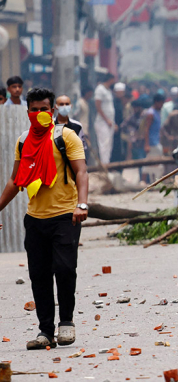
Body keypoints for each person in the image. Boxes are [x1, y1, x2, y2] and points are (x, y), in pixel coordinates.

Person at [0, 87, 88, 349]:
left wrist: (82, 204)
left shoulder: (66, 136)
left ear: (52, 111)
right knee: (39, 275)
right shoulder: (23, 141)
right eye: (34, 110)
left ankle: (66, 323)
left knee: (64, 269)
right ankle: (45, 331)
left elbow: (82, 172)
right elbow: (17, 181)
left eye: (43, 110)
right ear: (28, 112)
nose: (39, 114)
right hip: (35, 218)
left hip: (65, 216)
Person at [140, 94, 165, 182]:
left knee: (155, 163)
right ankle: (143, 180)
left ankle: (155, 181)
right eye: (161, 103)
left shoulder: (157, 112)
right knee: (149, 161)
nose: (162, 105)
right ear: (156, 102)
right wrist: (147, 144)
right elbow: (146, 129)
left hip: (156, 140)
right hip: (151, 142)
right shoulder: (151, 113)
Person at [94, 73, 117, 164]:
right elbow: (98, 106)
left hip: (110, 122)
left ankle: (107, 162)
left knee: (109, 144)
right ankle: (104, 164)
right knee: (104, 143)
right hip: (102, 122)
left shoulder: (108, 91)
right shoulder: (100, 89)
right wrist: (106, 119)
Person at [111, 82, 127, 162]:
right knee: (115, 146)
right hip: (114, 127)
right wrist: (114, 124)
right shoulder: (113, 102)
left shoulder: (120, 101)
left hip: (120, 127)